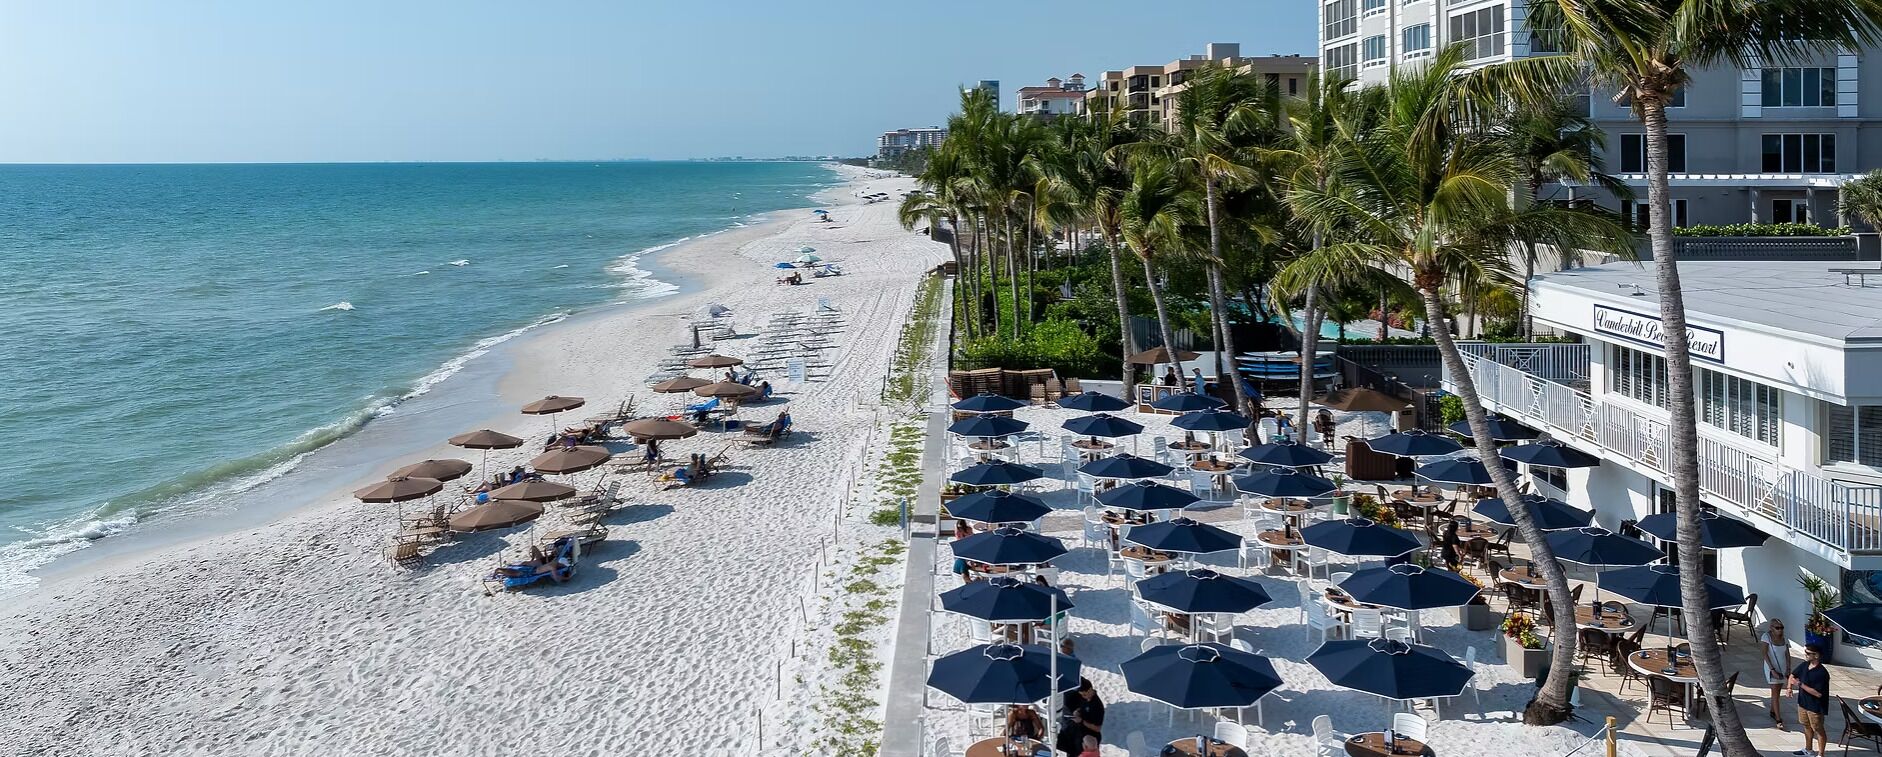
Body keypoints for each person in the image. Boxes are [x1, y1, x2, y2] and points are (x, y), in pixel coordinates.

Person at [1787, 644, 1830, 756]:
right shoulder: (1804, 665)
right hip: (1803, 704)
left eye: (1808, 653)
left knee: (1818, 729)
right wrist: (1789, 688)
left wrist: (1800, 684)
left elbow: (1818, 693)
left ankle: (1821, 754)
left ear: (1816, 655)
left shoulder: (1822, 673)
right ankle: (1808, 749)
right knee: (1806, 726)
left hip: (1815, 707)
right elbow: (1792, 675)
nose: (1805, 655)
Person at [1055, 677, 1105, 756]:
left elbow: (1097, 728)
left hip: (1088, 737)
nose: (1084, 696)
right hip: (1078, 731)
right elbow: (1082, 708)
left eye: (1085, 694)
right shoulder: (1085, 699)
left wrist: (1081, 721)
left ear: (1090, 690)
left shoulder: (1097, 706)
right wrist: (1077, 712)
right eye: (1082, 695)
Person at [1762, 619, 1792, 730]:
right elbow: (1765, 654)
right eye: (1777, 627)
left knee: (1778, 692)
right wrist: (1772, 669)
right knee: (1775, 694)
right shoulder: (1766, 637)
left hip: (1782, 668)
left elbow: (1787, 654)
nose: (1780, 630)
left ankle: (1772, 710)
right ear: (1771, 628)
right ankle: (1778, 719)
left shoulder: (1784, 638)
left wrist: (1789, 668)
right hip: (1772, 668)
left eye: (1781, 627)